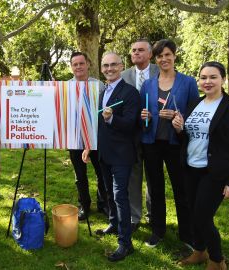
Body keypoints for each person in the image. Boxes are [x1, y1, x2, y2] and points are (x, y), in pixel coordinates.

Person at [173, 62, 229, 270]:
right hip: (190, 168)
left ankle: (217, 260)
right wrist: (179, 129)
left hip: (214, 172)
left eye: (213, 77)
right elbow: (188, 138)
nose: (207, 82)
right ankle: (199, 251)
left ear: (223, 79)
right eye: (203, 77)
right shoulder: (194, 104)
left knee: (202, 216)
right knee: (192, 214)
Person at [140, 39, 199, 248]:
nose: (164, 59)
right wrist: (144, 115)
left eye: (167, 55)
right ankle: (158, 231)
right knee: (155, 189)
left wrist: (177, 116)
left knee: (181, 189)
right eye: (159, 56)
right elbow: (143, 113)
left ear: (174, 56)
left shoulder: (188, 82)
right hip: (151, 143)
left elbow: (194, 114)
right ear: (155, 59)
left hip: (176, 144)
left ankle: (187, 234)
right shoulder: (147, 84)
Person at [83, 52, 140, 262]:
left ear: (121, 66)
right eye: (105, 65)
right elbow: (97, 124)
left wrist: (112, 118)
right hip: (104, 152)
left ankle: (126, 243)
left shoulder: (131, 93)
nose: (109, 69)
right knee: (108, 192)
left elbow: (131, 124)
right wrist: (89, 146)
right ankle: (114, 224)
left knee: (120, 196)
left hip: (122, 154)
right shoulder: (103, 91)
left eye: (113, 65)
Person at [121, 38, 159, 231]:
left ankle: (153, 215)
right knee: (133, 177)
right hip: (130, 136)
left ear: (150, 54)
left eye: (141, 50)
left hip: (154, 134)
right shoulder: (123, 75)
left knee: (153, 176)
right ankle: (134, 217)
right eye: (133, 50)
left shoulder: (160, 73)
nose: (136, 53)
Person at [69, 51, 108, 220]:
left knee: (101, 172)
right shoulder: (66, 86)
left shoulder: (98, 85)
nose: (78, 67)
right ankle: (84, 205)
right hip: (74, 137)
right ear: (71, 67)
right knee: (80, 175)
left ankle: (103, 204)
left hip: (97, 137)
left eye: (81, 63)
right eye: (75, 64)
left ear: (88, 64)